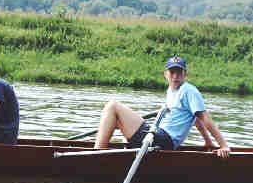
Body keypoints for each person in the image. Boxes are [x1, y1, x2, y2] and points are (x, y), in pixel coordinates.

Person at [94, 56, 230, 158]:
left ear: (185, 74)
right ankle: (100, 152)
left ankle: (96, 156)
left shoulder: (189, 91)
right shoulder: (171, 90)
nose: (175, 76)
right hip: (158, 136)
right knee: (115, 119)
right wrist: (207, 142)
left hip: (163, 140)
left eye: (179, 73)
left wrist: (223, 145)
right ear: (166, 75)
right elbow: (195, 119)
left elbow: (204, 117)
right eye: (172, 73)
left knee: (113, 107)